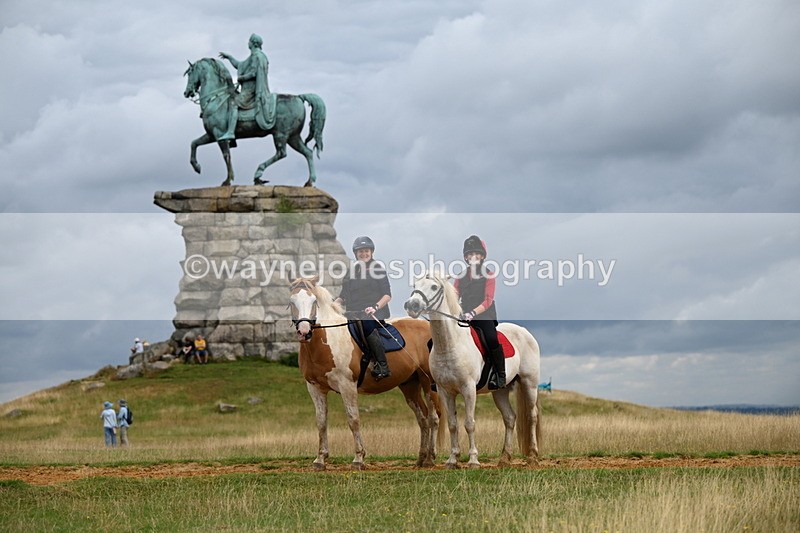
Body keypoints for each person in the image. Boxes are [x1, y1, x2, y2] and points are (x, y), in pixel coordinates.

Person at [335, 236, 392, 380]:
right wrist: (334, 304)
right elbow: (343, 295)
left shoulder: (378, 269)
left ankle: (383, 365)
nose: (363, 254)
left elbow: (387, 295)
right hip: (352, 313)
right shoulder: (351, 272)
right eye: (360, 251)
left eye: (366, 251)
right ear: (356, 253)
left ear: (371, 252)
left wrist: (375, 307)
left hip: (373, 313)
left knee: (366, 325)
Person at [454, 235, 505, 389]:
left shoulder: (489, 275)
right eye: (469, 254)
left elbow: (488, 300)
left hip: (483, 314)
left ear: (482, 256)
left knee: (491, 338)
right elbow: (454, 295)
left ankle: (500, 374)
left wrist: (472, 313)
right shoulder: (460, 276)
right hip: (463, 314)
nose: (472, 257)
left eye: (476, 254)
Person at [219, 33, 275, 139]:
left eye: (249, 41)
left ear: (253, 43)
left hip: (251, 91)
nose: (247, 43)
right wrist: (229, 57)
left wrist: (242, 78)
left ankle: (231, 132)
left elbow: (254, 73)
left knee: (233, 103)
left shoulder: (256, 56)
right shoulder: (255, 56)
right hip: (249, 89)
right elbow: (239, 65)